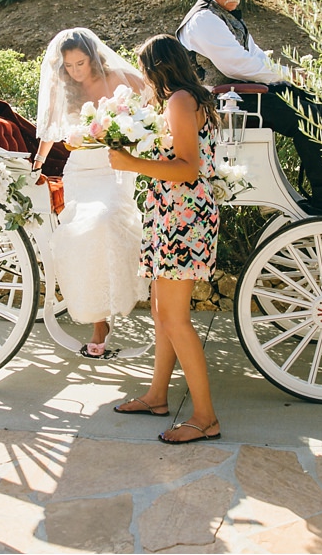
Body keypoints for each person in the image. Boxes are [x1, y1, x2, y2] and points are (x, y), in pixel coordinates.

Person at [108, 36, 222, 444]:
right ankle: (157, 396)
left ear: (157, 68)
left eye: (143, 69)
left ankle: (206, 417)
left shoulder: (179, 101)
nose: (142, 77)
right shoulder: (185, 100)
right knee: (160, 313)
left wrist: (131, 163)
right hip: (169, 213)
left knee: (175, 318)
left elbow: (188, 168)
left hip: (182, 217)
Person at [177, 0, 322, 215]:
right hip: (221, 105)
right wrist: (285, 76)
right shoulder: (204, 20)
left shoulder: (226, 16)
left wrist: (289, 77)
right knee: (304, 115)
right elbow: (236, 65)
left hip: (238, 97)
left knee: (309, 99)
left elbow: (255, 56)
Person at [33, 28, 149, 357]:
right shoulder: (64, 86)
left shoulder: (123, 78)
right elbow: (51, 131)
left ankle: (119, 299)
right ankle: (99, 321)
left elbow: (154, 101)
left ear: (94, 57)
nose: (75, 71)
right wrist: (39, 161)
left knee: (105, 219)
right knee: (77, 233)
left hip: (114, 166)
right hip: (80, 170)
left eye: (80, 63)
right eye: (68, 66)